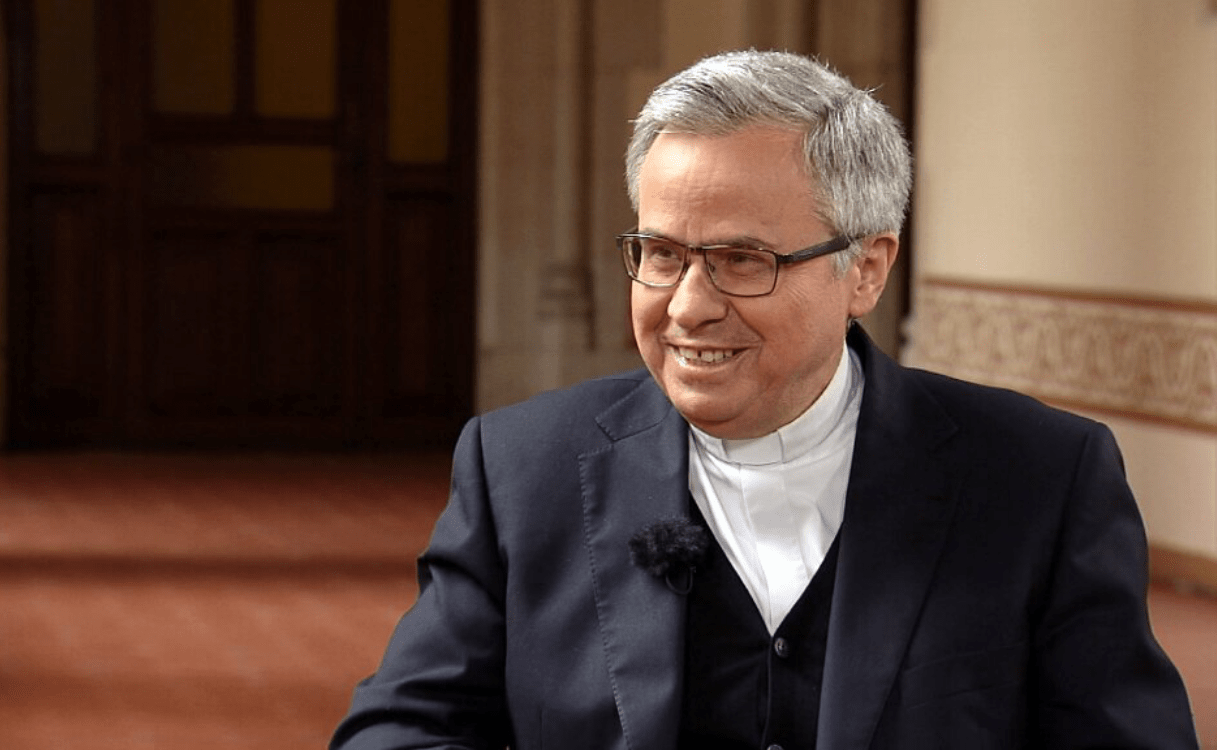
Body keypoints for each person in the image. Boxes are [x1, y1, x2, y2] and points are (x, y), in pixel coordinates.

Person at [330, 49, 1198, 749]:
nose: (686, 306)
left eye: (743, 260)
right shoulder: (523, 467)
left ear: (866, 270)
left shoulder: (1039, 478)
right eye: (662, 254)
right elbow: (398, 732)